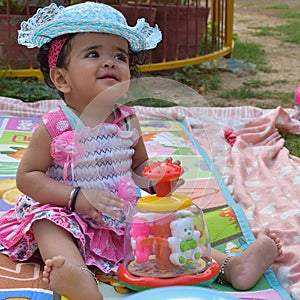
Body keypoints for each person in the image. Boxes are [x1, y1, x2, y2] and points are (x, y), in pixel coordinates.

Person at [0, 2, 282, 300]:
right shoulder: (56, 126)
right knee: (48, 225)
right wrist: (75, 198)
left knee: (170, 231)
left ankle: (230, 265)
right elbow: (28, 177)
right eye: (93, 53)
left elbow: (139, 168)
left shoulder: (127, 120)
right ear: (61, 79)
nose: (110, 63)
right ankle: (74, 275)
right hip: (65, 208)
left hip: (119, 213)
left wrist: (157, 180)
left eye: (119, 56)